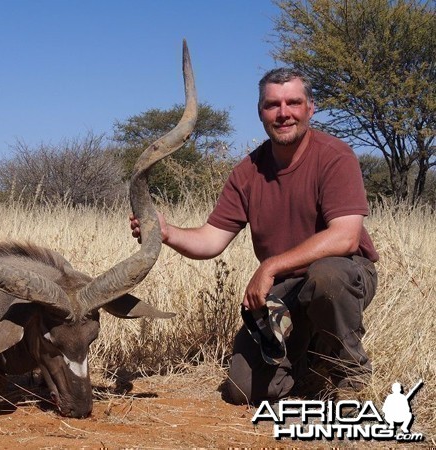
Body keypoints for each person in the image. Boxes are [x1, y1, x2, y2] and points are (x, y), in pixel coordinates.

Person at [130, 67, 379, 405]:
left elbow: (345, 238)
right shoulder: (248, 171)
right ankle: (311, 360)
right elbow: (211, 240)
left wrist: (270, 266)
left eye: (294, 102)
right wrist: (166, 232)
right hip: (284, 290)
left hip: (342, 274)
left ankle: (353, 378)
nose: (284, 113)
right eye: (272, 105)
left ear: (310, 108)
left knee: (326, 278)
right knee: (242, 391)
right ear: (261, 112)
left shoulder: (335, 156)